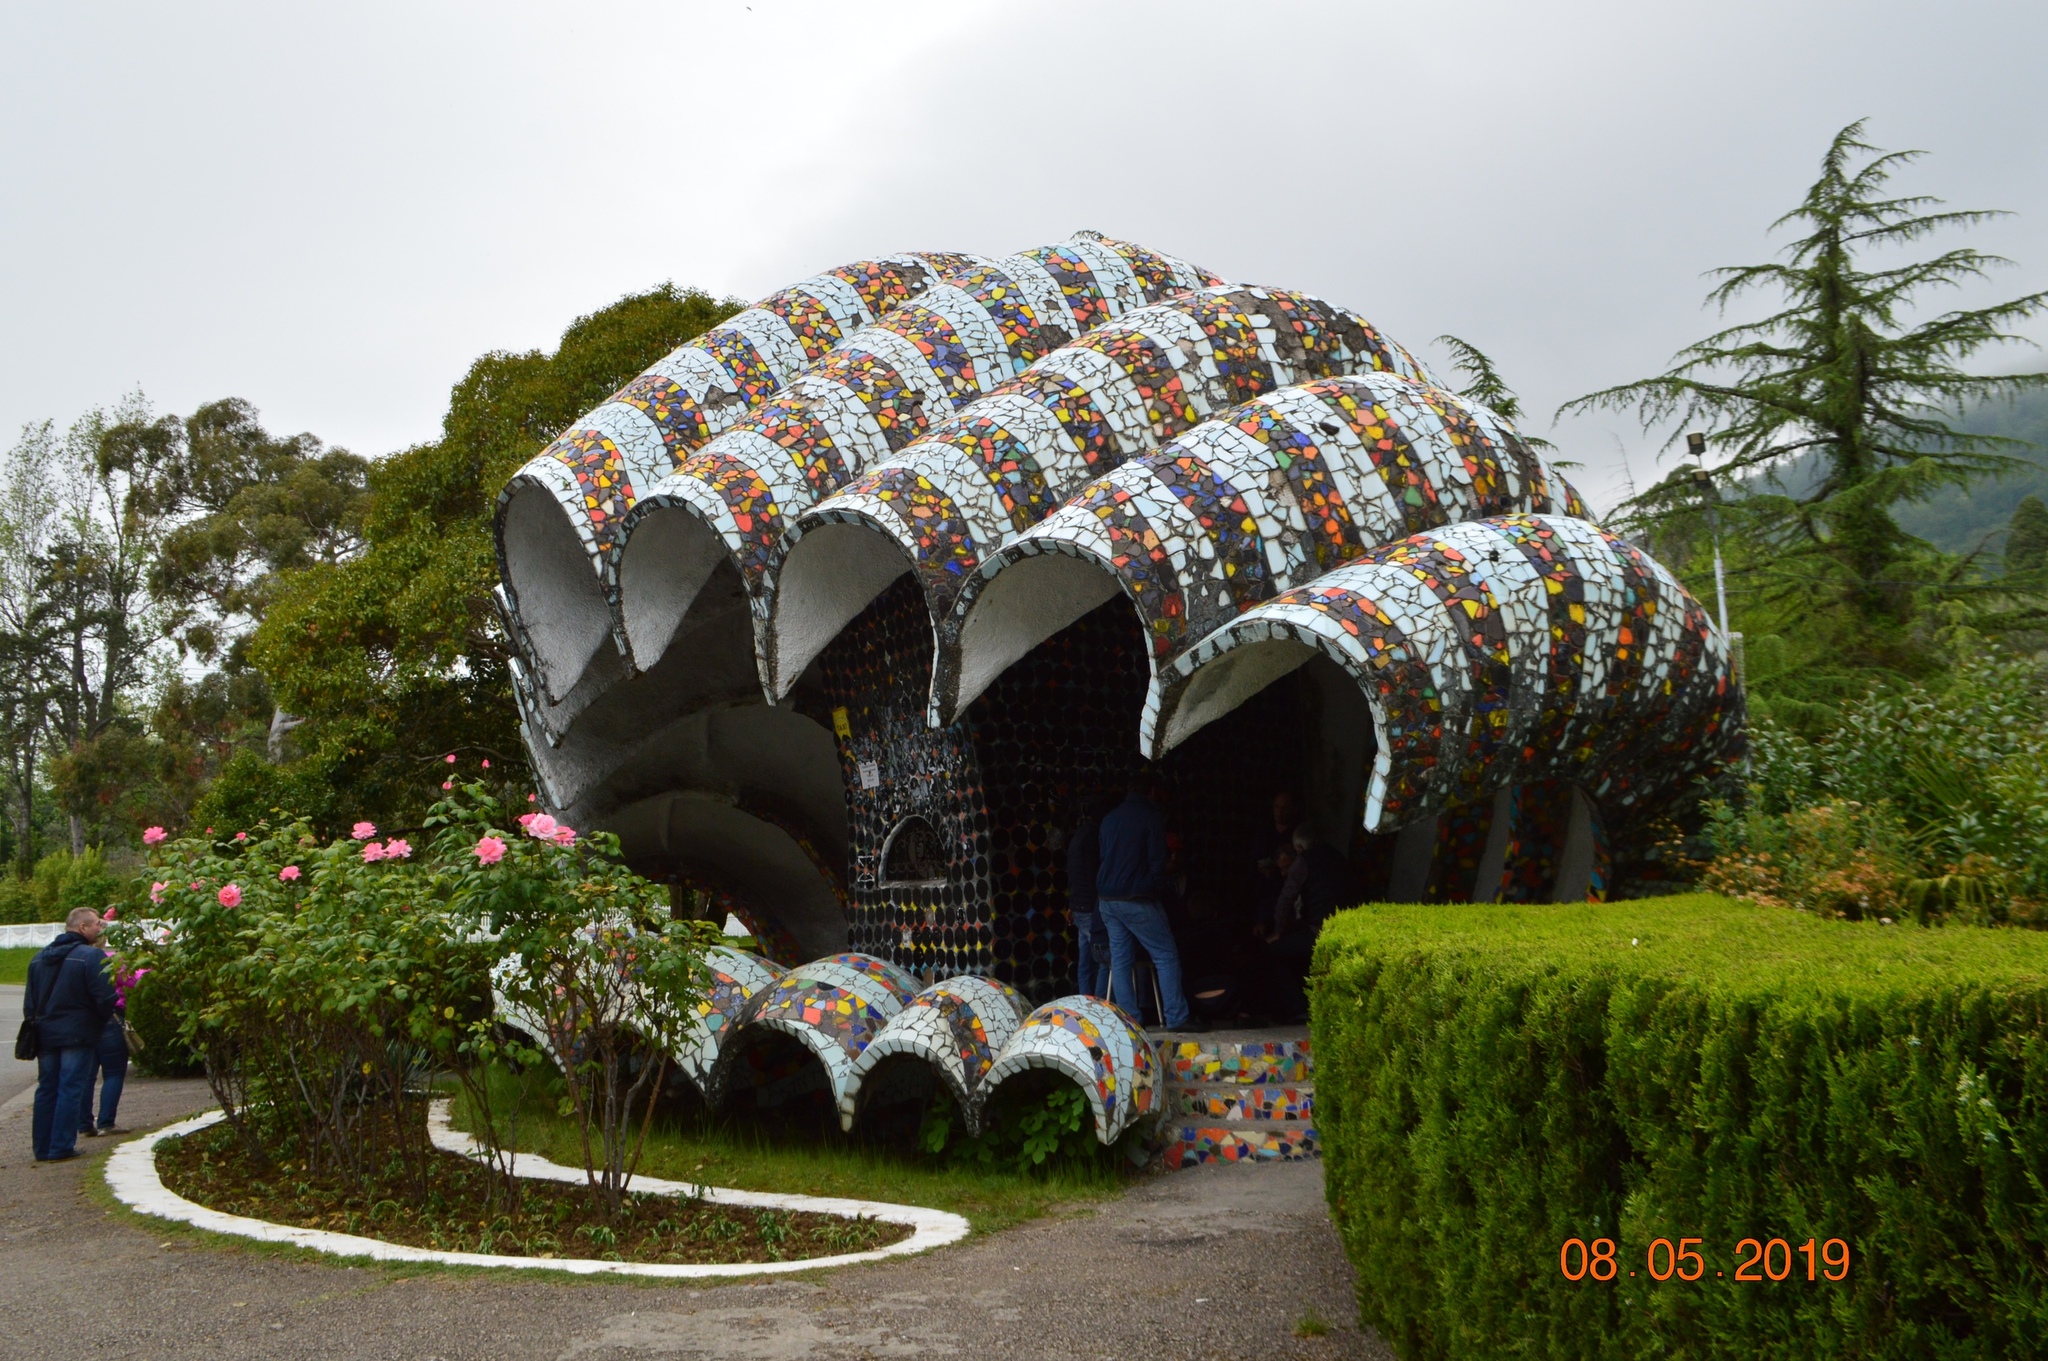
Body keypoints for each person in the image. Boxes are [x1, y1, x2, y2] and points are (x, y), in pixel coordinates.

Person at [1096, 770, 1204, 1033]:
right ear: (1152, 792)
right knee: (1165, 953)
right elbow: (1157, 861)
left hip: (1107, 899)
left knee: (1120, 959)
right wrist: (1157, 890)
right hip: (1135, 897)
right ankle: (1177, 1016)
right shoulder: (1151, 817)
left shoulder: (1109, 819)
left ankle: (1130, 1021)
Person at [25, 907, 118, 1163]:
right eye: (96, 924)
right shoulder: (90, 957)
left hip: (45, 1033)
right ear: (82, 928)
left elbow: (30, 1002)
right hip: (78, 1032)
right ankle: (61, 1146)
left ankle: (42, 1148)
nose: (100, 928)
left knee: (47, 1089)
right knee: (70, 1087)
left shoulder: (39, 958)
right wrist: (99, 1022)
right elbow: (106, 997)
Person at [1256, 826, 1349, 1022]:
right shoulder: (1338, 857)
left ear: (1299, 847)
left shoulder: (1305, 861)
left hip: (1320, 931)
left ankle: (1296, 1008)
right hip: (1344, 928)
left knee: (1271, 951)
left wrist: (1278, 932)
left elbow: (1285, 900)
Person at [77, 957, 137, 1138]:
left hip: (83, 1020)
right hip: (109, 1017)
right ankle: (106, 1122)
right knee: (114, 1072)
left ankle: (84, 1123)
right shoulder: (110, 961)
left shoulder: (73, 961)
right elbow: (131, 981)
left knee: (87, 1076)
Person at [1066, 800, 1111, 997]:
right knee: (1106, 960)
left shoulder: (1078, 836)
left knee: (1085, 962)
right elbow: (1093, 875)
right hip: (1089, 907)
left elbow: (1074, 874)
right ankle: (1100, 1005)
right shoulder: (1092, 838)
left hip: (1078, 905)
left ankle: (1086, 1004)